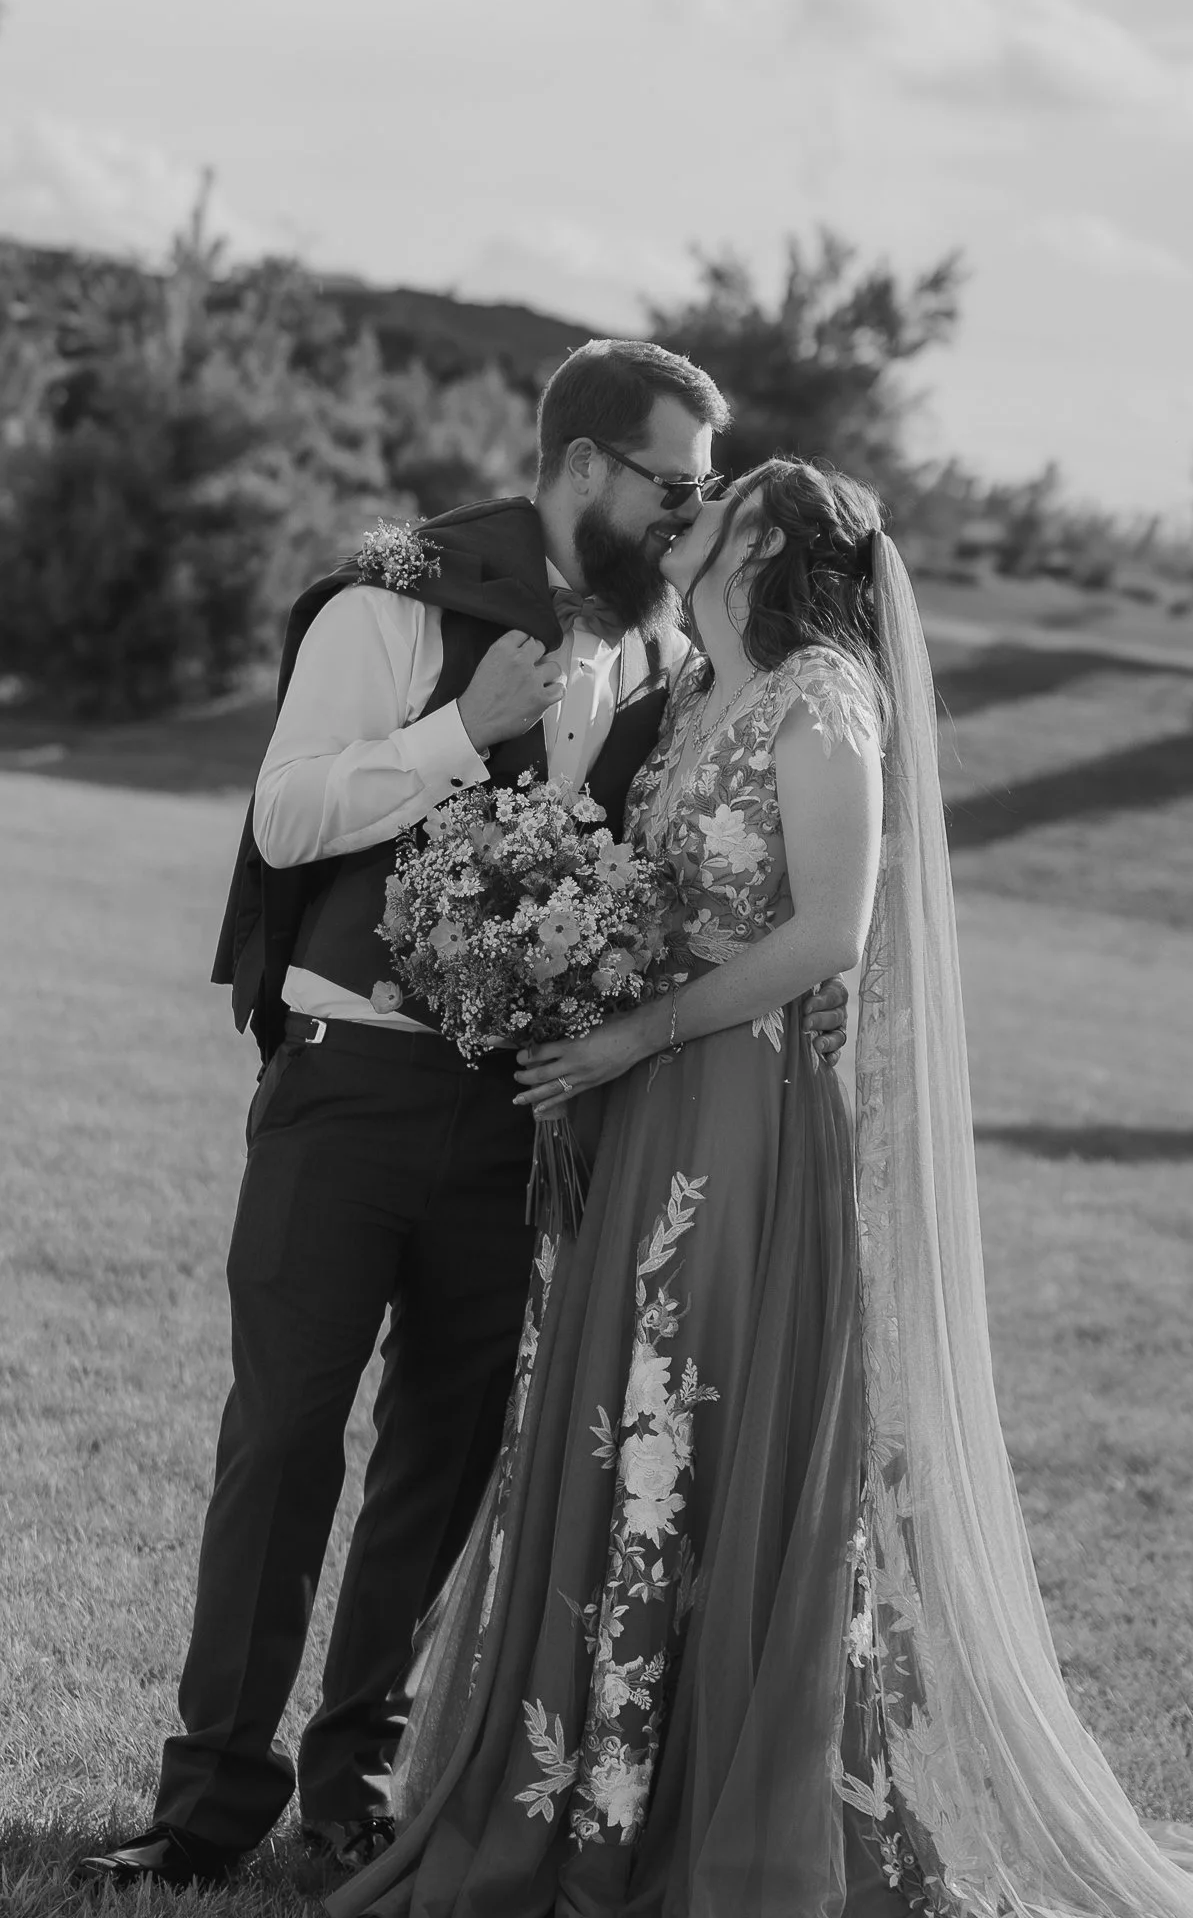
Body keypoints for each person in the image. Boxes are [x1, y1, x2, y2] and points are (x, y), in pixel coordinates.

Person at [327, 460, 1193, 1918]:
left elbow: (830, 934)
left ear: (764, 551)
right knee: (618, 1414)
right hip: (636, 1110)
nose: (691, 514)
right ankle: (590, 1782)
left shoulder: (824, 699)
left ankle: (691, 1814)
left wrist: (636, 1031)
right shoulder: (700, 693)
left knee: (693, 1418)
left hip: (734, 1118)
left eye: (722, 504)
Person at [77, 343, 849, 1894]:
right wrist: (457, 732)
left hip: (523, 1117)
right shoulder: (393, 606)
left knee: (444, 1454)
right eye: (675, 484)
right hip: (348, 1087)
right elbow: (284, 814)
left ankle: (355, 1787)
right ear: (584, 468)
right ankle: (208, 1800)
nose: (691, 515)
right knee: (283, 1438)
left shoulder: (667, 665)